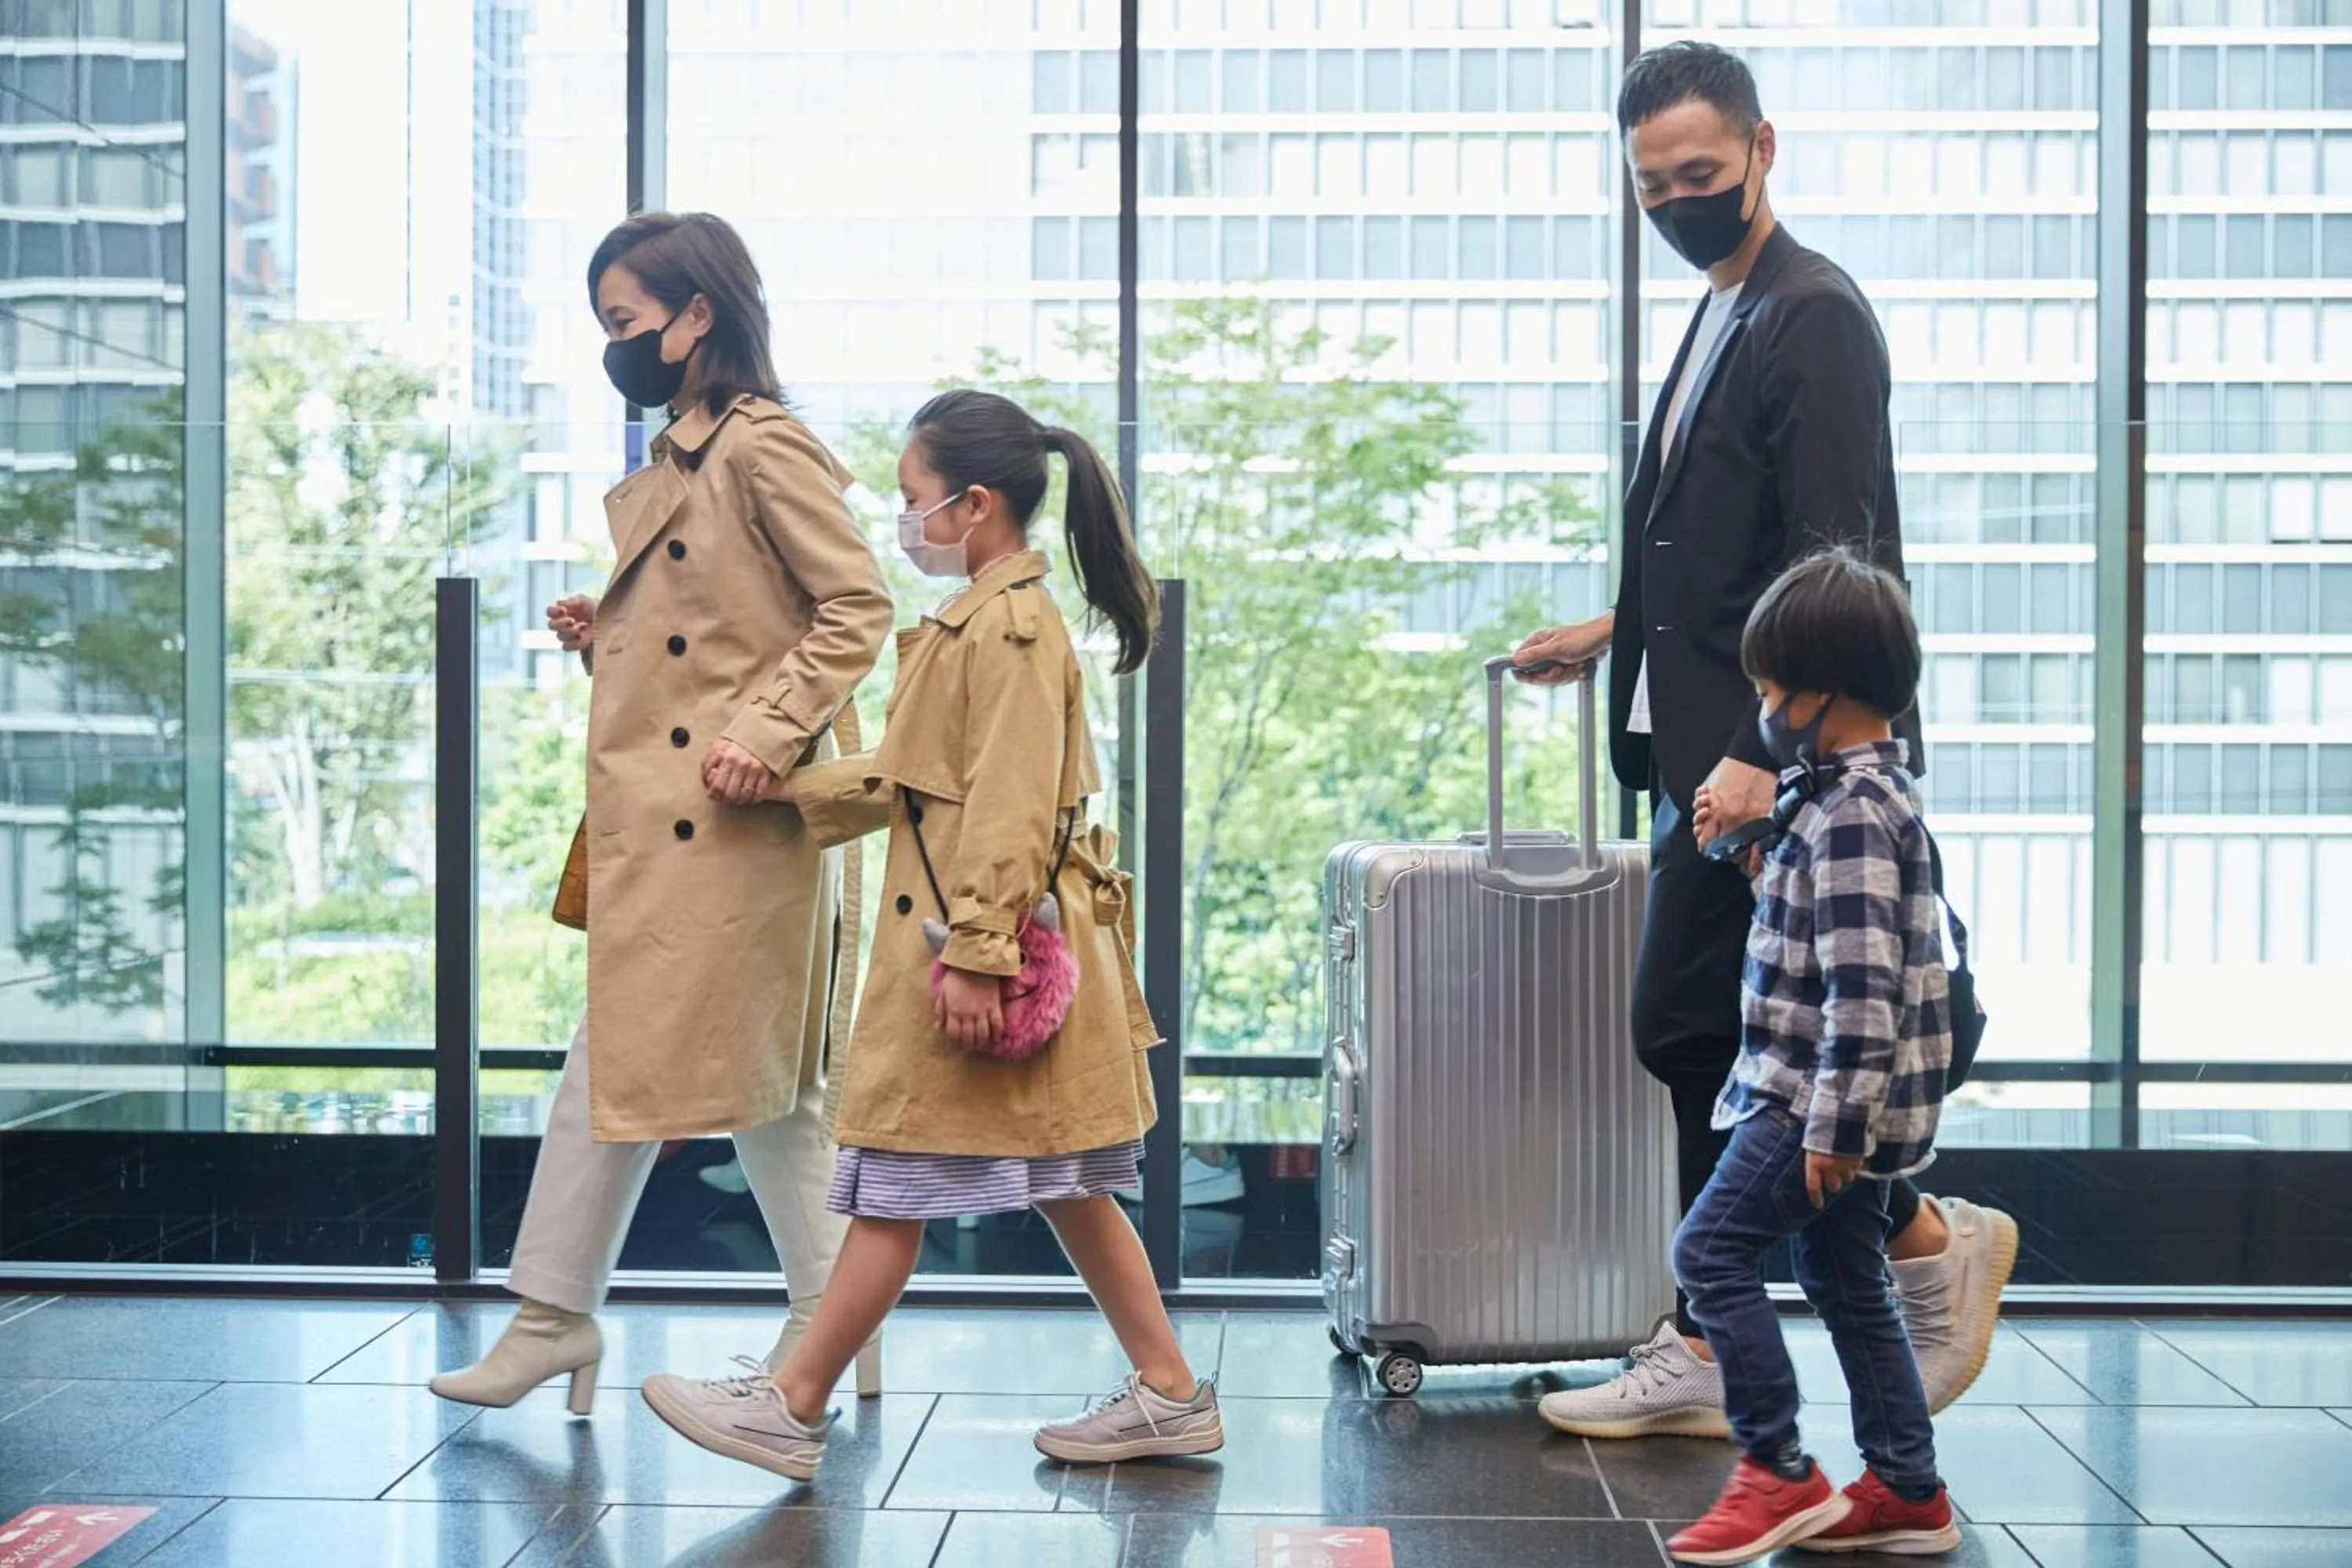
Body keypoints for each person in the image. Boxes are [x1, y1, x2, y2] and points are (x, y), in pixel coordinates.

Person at [1515, 42, 2014, 1441]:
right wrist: (1619, 627)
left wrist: (1758, 747)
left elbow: (1829, 554)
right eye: (1652, 184)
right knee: (1724, 1036)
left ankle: (1793, 1292)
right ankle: (1858, 1265)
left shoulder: (1813, 316)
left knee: (1693, 1024)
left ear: (1763, 151)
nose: (1678, 201)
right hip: (1718, 748)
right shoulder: (1727, 309)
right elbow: (1726, 541)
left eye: (1701, 174)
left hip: (1779, 760)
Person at [639, 390, 1221, 1482]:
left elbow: (1004, 805)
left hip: (970, 945)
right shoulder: (990, 619)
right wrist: (782, 789)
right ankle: (1172, 1394)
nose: (906, 523)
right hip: (1004, 939)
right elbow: (919, 776)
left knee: (890, 1178)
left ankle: (791, 1404)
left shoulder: (1003, 628)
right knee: (1066, 1179)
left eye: (915, 501)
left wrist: (975, 953)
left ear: (976, 504)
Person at [430, 212, 892, 1415]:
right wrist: (617, 639)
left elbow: (856, 606)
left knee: (645, 1058)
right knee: (770, 1087)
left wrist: (761, 729)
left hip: (733, 822)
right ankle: (823, 1322)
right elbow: (726, 635)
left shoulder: (758, 445)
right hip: (694, 821)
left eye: (627, 323)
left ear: (698, 318)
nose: (617, 348)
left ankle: (555, 1319)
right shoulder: (691, 456)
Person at [1664, 550, 1963, 1564]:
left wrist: (1833, 1129)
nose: (1762, 708)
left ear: (1822, 694)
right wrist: (1757, 857)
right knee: (1846, 1283)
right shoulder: (1844, 800)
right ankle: (1907, 1487)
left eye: (1769, 689)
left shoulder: (1853, 818)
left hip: (1812, 1100)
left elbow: (1865, 996)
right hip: (1843, 1098)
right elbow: (1824, 940)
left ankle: (1777, 1469)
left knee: (1706, 1253)